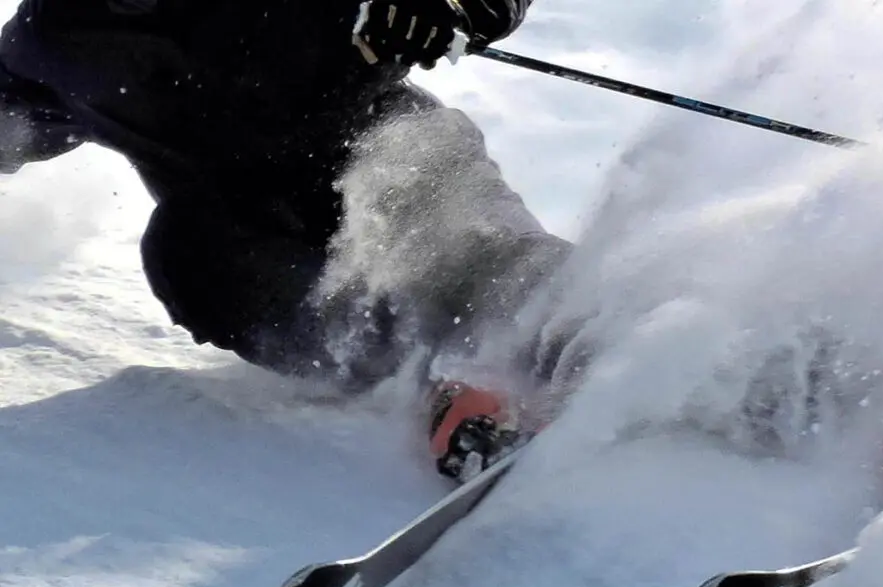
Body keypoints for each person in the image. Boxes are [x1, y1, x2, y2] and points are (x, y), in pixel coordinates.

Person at [0, 0, 575, 477]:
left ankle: (617, 336)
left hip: (391, 160)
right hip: (263, 232)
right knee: (190, 254)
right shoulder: (56, 41)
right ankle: (451, 386)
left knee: (497, 270)